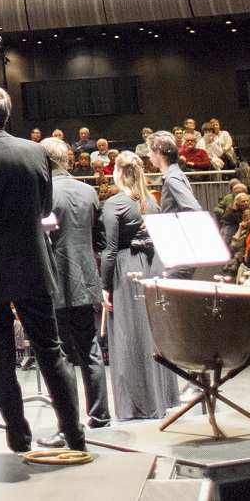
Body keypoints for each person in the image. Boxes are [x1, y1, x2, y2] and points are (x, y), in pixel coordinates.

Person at [0, 85, 88, 454]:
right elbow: (44, 209)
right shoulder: (34, 152)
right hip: (32, 264)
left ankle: (19, 438)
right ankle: (75, 436)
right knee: (50, 352)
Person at [101, 151, 175, 420]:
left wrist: (104, 286)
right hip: (150, 266)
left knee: (128, 336)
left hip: (125, 269)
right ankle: (160, 399)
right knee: (150, 333)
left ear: (118, 173)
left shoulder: (115, 204)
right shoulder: (151, 202)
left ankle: (136, 404)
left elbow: (109, 251)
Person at [42, 137, 110, 428]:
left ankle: (69, 424)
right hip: (85, 278)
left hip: (55, 279)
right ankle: (100, 415)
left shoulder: (43, 194)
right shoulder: (88, 191)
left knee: (62, 355)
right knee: (90, 349)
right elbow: (100, 239)